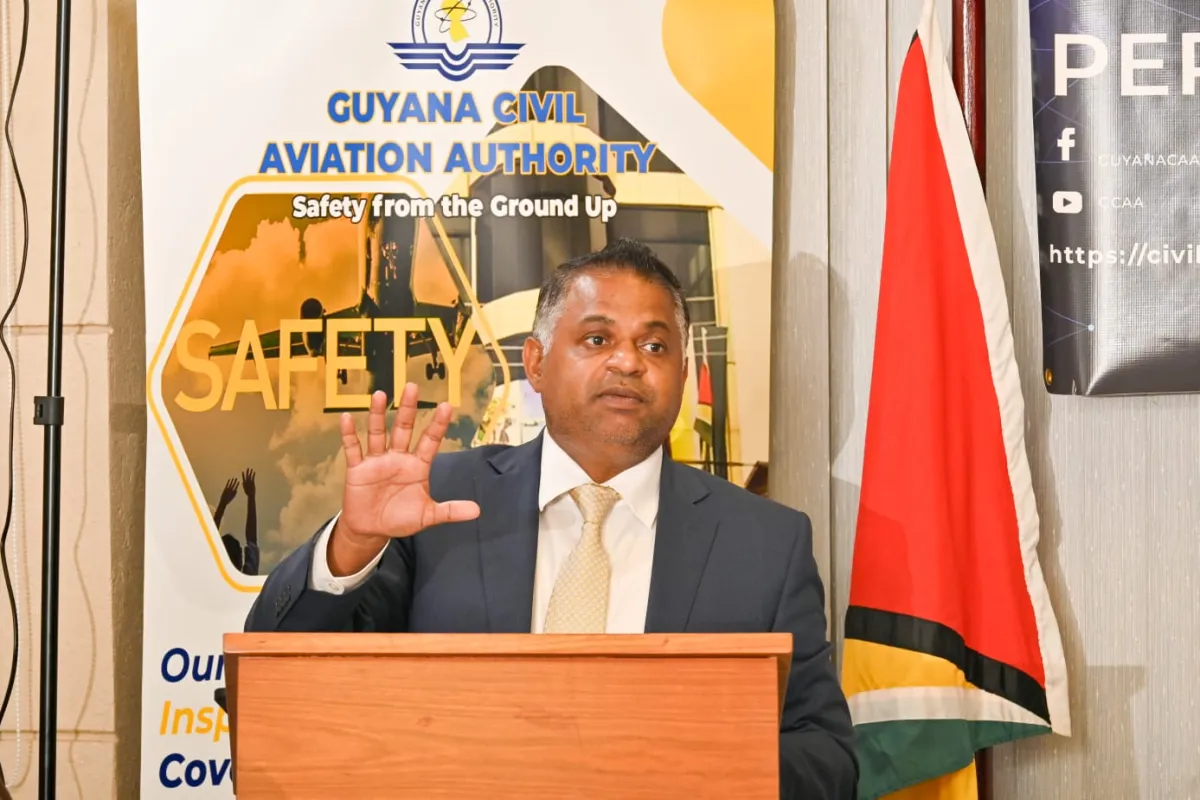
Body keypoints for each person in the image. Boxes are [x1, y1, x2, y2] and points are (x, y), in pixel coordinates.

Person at [245, 238, 858, 798]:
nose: (628, 362)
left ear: (681, 372)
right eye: (597, 340)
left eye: (654, 345)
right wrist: (353, 542)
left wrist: (678, 762)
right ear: (535, 363)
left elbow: (828, 760)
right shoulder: (438, 505)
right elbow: (281, 676)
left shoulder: (764, 543)